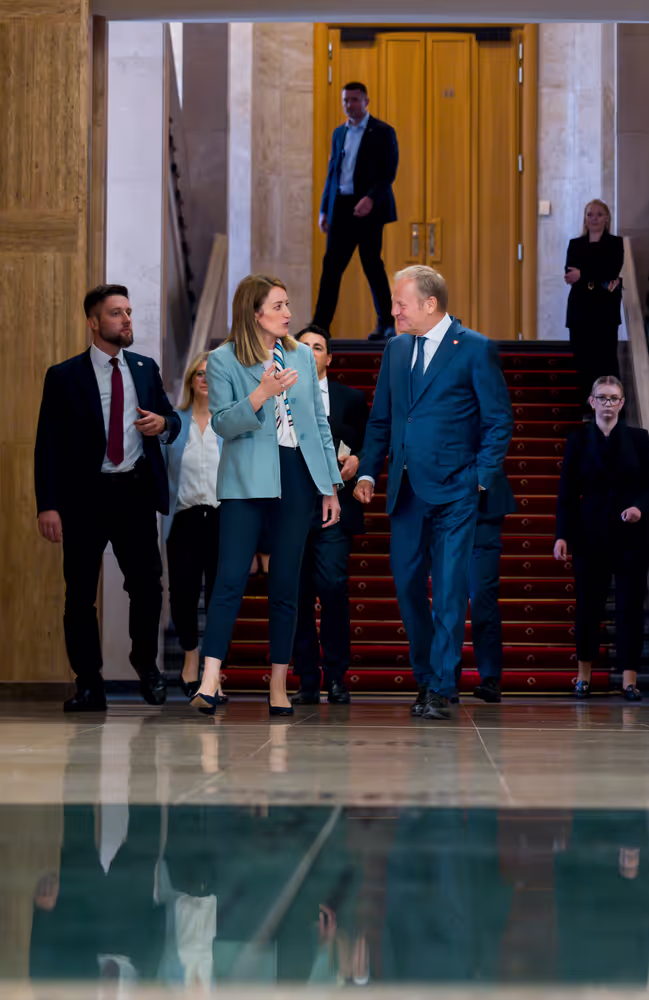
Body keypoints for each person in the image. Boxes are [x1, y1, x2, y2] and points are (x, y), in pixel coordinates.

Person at [354, 266, 514, 720]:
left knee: (447, 591)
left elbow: (499, 419)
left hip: (457, 492)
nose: (394, 311)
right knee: (407, 587)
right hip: (405, 491)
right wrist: (367, 473)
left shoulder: (476, 349)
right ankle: (427, 675)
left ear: (430, 304)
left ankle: (439, 686)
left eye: (401, 303)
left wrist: (479, 478)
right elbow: (382, 419)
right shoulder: (396, 349)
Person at [189, 275, 342, 717]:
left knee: (285, 584)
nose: (287, 314)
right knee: (230, 578)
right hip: (245, 479)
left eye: (288, 305)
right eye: (278, 306)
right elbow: (222, 424)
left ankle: (278, 682)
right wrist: (261, 393)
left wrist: (329, 485)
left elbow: (317, 425)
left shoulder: (299, 355)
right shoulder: (223, 360)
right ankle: (210, 678)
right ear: (255, 313)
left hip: (296, 474)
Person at [34, 284, 181, 713]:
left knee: (148, 587)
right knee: (79, 595)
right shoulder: (64, 376)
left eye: (129, 312)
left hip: (134, 492)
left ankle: (143, 661)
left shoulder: (145, 368)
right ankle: (88, 683)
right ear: (94, 322)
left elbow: (171, 417)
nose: (127, 320)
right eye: (117, 313)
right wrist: (49, 504)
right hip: (84, 498)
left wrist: (164, 424)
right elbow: (48, 445)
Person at [554, 376, 649, 701]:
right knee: (588, 606)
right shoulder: (578, 440)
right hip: (589, 535)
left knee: (628, 607)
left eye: (614, 398)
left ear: (623, 403)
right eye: (603, 398)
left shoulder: (638, 439)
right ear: (592, 402)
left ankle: (629, 680)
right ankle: (583, 677)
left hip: (632, 536)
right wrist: (562, 535)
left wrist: (640, 509)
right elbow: (567, 494)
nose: (609, 404)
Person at [291, 325, 369, 705]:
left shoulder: (350, 399)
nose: (310, 352)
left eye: (317, 347)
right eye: (302, 346)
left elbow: (370, 444)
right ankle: (307, 677)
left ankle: (337, 675)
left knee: (333, 587)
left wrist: (359, 462)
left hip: (336, 509)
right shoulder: (280, 395)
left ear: (329, 357)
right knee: (298, 594)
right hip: (291, 508)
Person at [314, 82, 399, 341]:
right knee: (331, 266)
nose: (349, 105)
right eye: (345, 100)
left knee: (372, 263)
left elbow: (389, 172)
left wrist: (371, 198)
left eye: (354, 100)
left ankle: (386, 324)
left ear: (366, 101)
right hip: (341, 207)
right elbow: (333, 172)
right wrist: (324, 208)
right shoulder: (339, 133)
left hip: (369, 209)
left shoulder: (382, 131)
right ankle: (320, 325)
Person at [164, 353, 226, 701]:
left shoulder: (228, 423)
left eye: (211, 374)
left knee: (219, 598)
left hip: (221, 521)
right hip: (185, 519)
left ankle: (214, 672)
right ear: (190, 381)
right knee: (183, 596)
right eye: (199, 374)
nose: (205, 379)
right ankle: (191, 658)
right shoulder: (175, 423)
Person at [565, 199, 624, 412]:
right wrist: (596, 279)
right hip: (580, 312)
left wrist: (584, 275)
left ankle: (607, 409)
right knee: (583, 363)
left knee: (605, 363)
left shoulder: (615, 244)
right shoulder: (575, 244)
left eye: (599, 214)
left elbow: (612, 270)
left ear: (606, 218)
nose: (594, 218)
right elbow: (570, 274)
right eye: (590, 214)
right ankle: (586, 408)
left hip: (604, 313)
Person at [468, 476, 517, 704]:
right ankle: (444, 679)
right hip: (442, 504)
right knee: (447, 598)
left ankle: (489, 678)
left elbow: (494, 442)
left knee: (483, 596)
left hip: (485, 505)